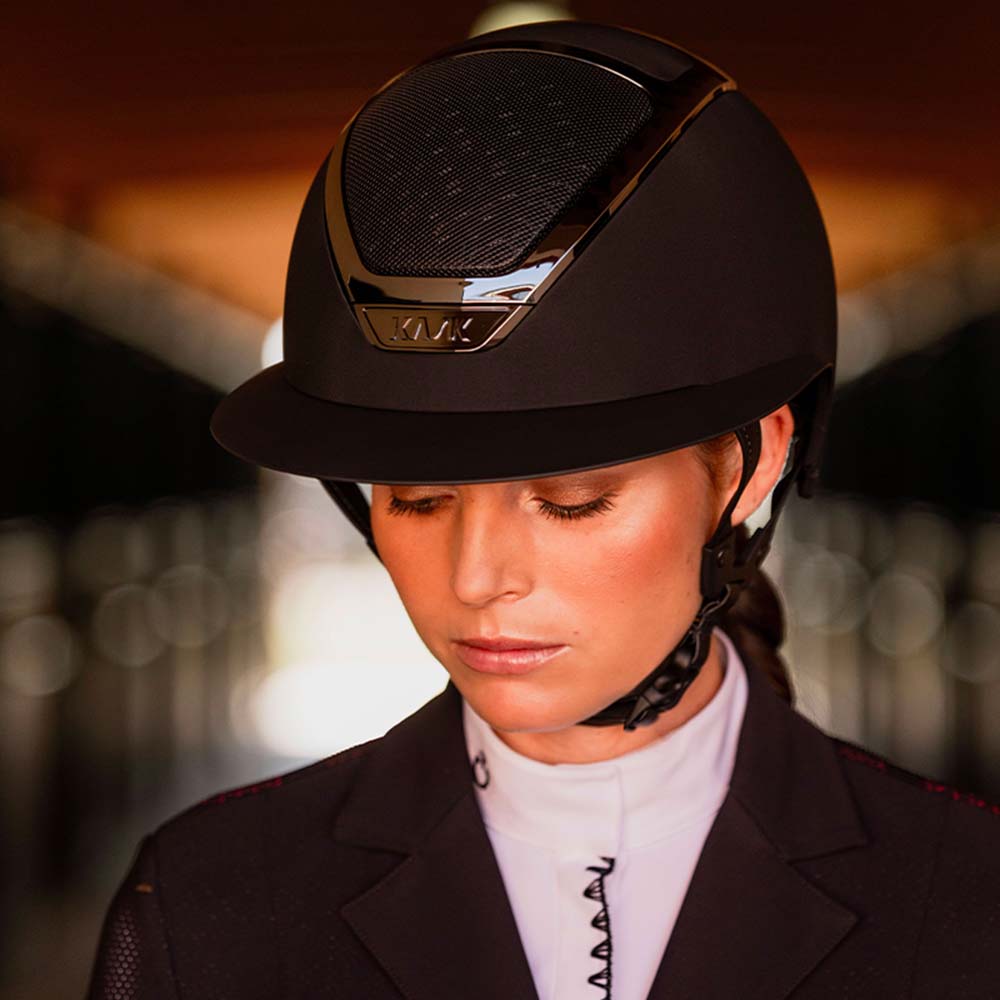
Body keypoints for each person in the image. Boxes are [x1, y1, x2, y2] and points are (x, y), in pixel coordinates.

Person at [85, 20, 1000, 1000]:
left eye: (571, 501)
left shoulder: (969, 901)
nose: (477, 578)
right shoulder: (205, 902)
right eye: (416, 498)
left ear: (753, 464)